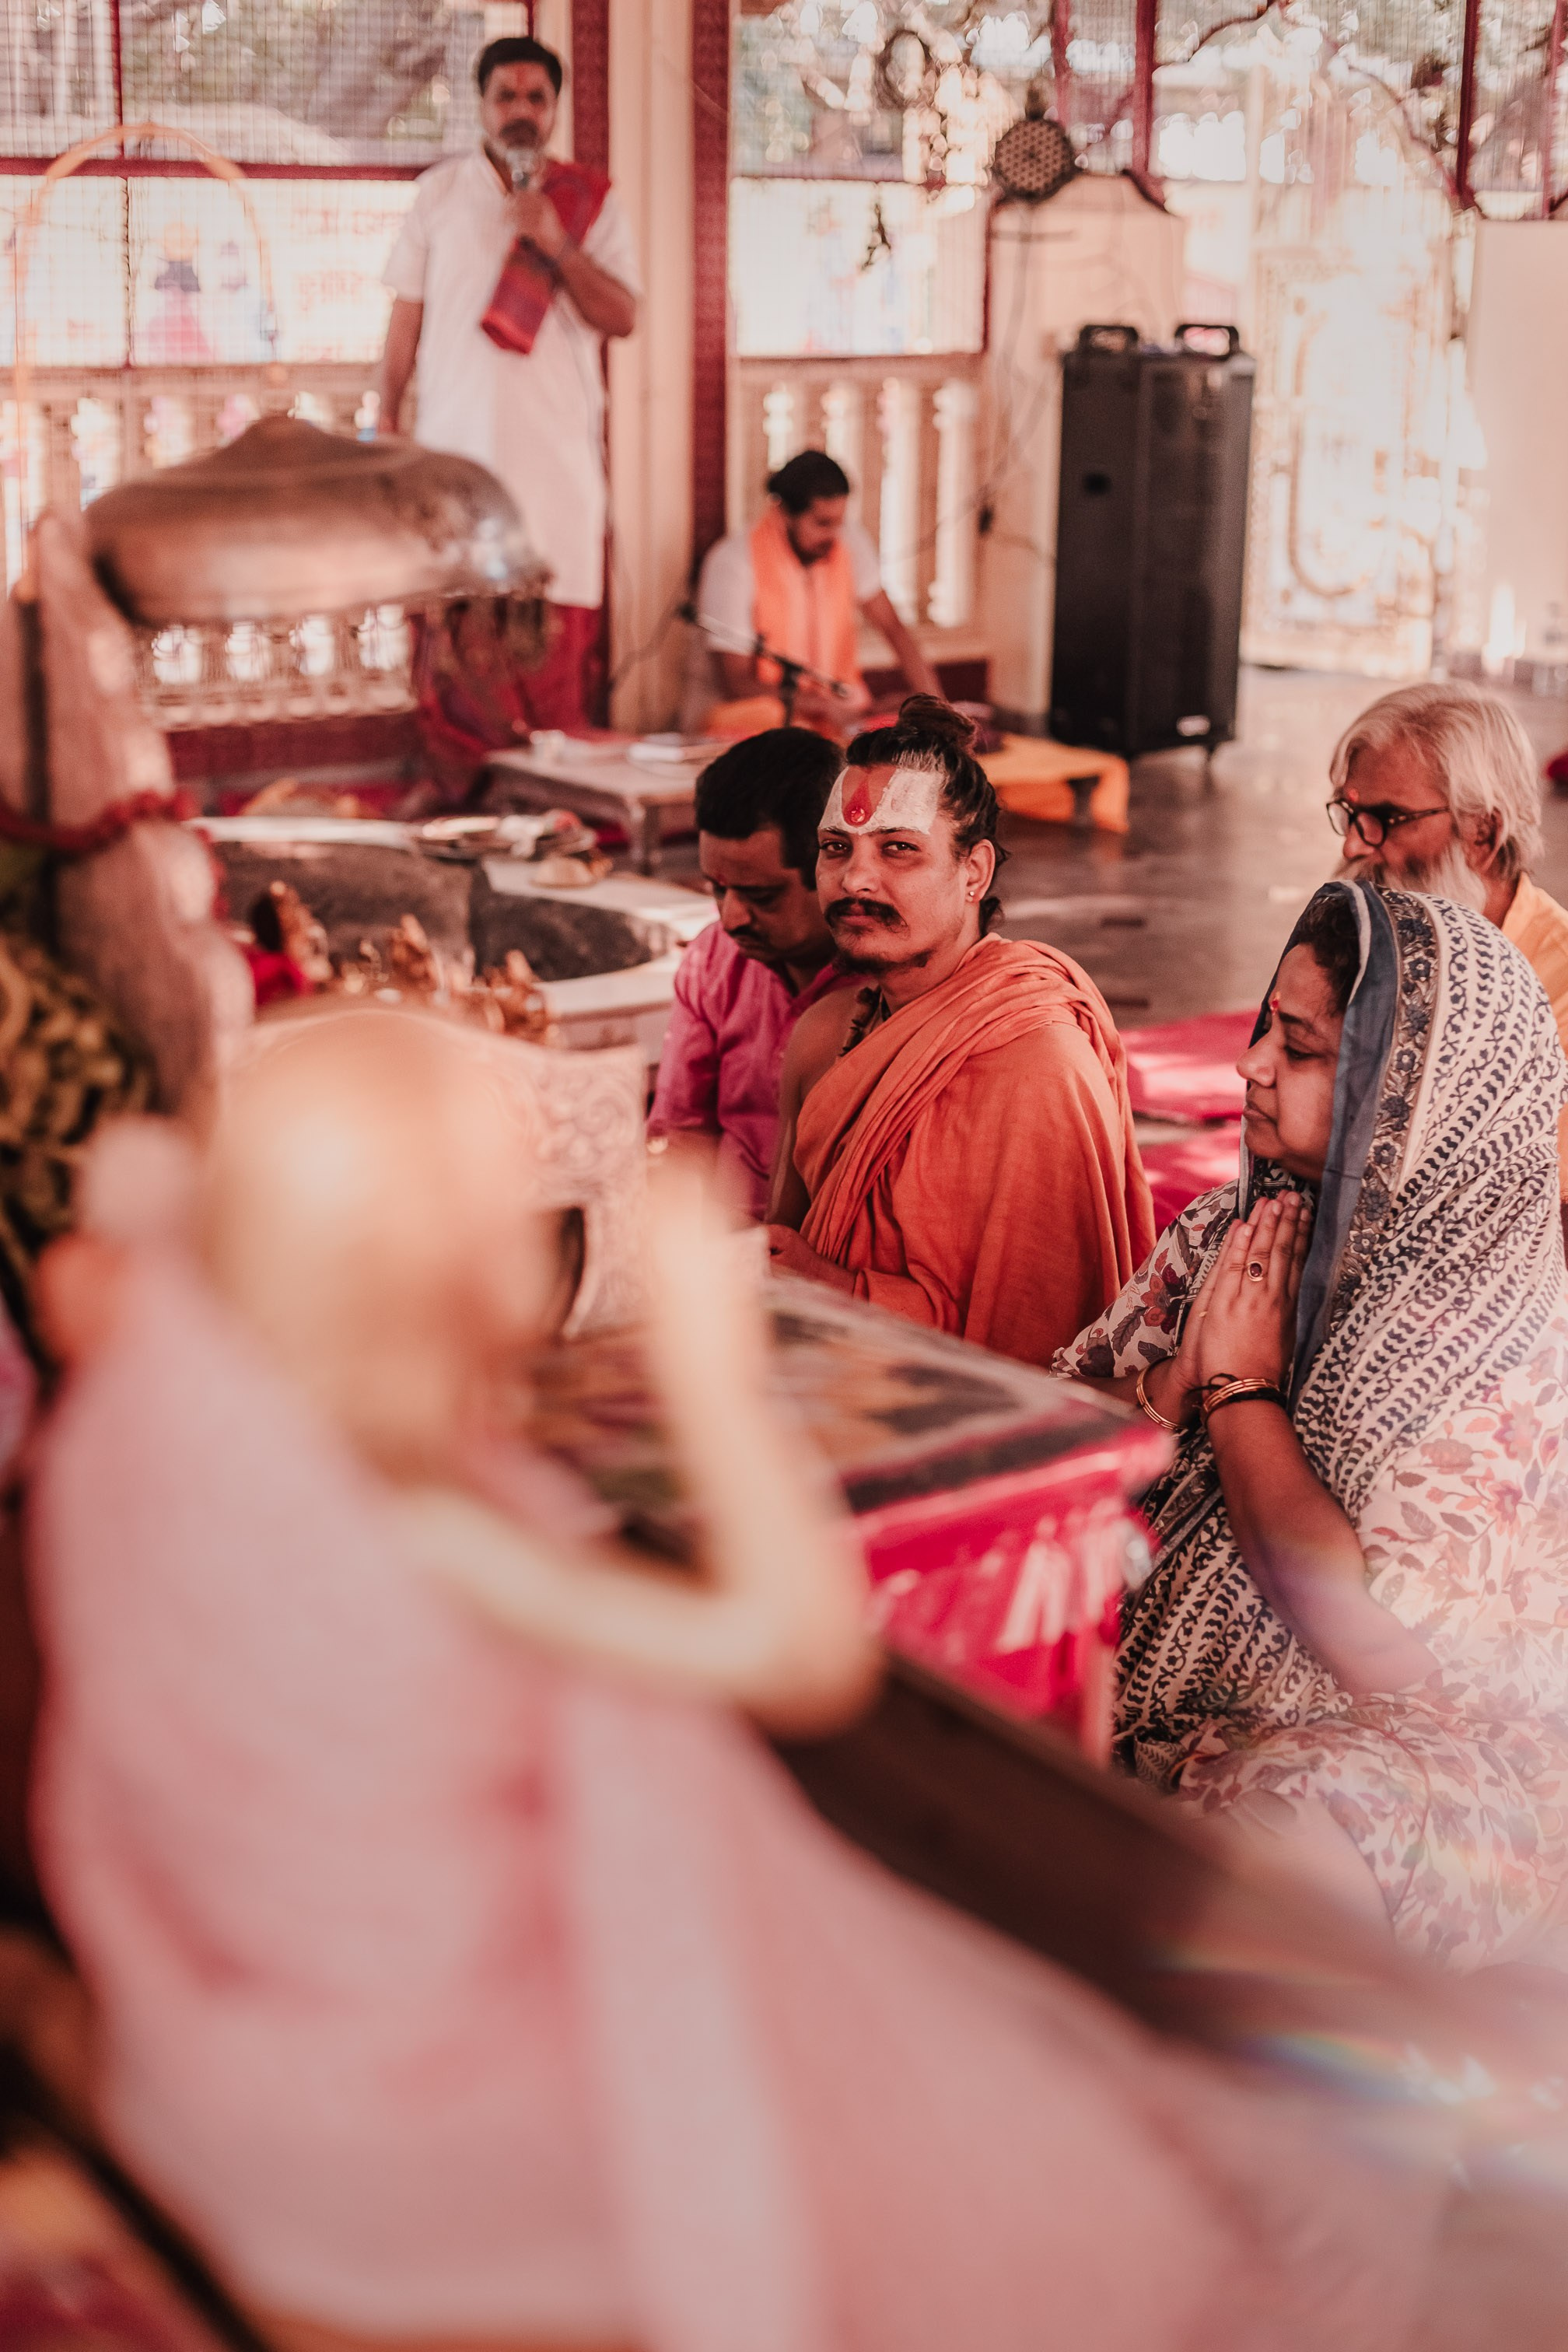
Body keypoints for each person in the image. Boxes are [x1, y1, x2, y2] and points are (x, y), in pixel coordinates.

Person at [22, 1017, 1430, 2352]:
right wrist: (709, 1359)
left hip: (207, 2016)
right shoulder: (406, 1527)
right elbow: (801, 1655)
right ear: (434, 1277)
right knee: (997, 2170)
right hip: (395, 2108)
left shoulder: (150, 1410)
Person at [1057, 881, 1568, 1971]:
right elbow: (1050, 1437)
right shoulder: (1233, 1231)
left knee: (1269, 1824)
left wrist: (1242, 1395)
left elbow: (1370, 1647)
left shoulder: (1498, 1341)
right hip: (1180, 1678)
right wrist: (1176, 1382)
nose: (1247, 1067)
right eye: (1261, 1030)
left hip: (1436, 1747)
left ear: (1407, 1097)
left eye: (1297, 1047)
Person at [767, 698, 1153, 1367]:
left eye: (898, 850)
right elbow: (785, 1248)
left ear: (974, 872)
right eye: (838, 849)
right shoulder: (827, 1032)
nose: (856, 878)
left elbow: (1044, 1341)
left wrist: (831, 1287)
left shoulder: (1040, 1066)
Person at [378, 36, 639, 733]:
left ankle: (550, 801)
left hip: (553, 461)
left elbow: (622, 316)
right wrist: (385, 419)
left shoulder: (588, 199)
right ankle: (460, 799)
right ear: (482, 105)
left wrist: (555, 242)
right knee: (454, 624)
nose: (520, 110)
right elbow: (405, 318)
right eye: (506, 96)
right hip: (456, 453)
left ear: (555, 108)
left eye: (536, 97)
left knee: (550, 631)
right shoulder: (439, 194)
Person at [1326, 680, 1568, 1234]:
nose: (1354, 846)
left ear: (1481, 830)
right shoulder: (1364, 935)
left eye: (1387, 817)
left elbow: (1546, 1231)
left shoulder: (1561, 991)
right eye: (1350, 812)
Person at [648, 729, 851, 1220]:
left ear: (834, 866)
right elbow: (683, 1130)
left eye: (760, 897)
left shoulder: (897, 985)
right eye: (718, 889)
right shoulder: (714, 959)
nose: (732, 918)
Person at [683, 450, 940, 740]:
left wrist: (934, 704)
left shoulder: (847, 542)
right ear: (782, 512)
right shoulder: (733, 563)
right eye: (821, 523)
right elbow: (737, 684)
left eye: (839, 522)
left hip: (832, 719)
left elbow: (893, 627)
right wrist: (822, 706)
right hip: (750, 725)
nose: (833, 535)